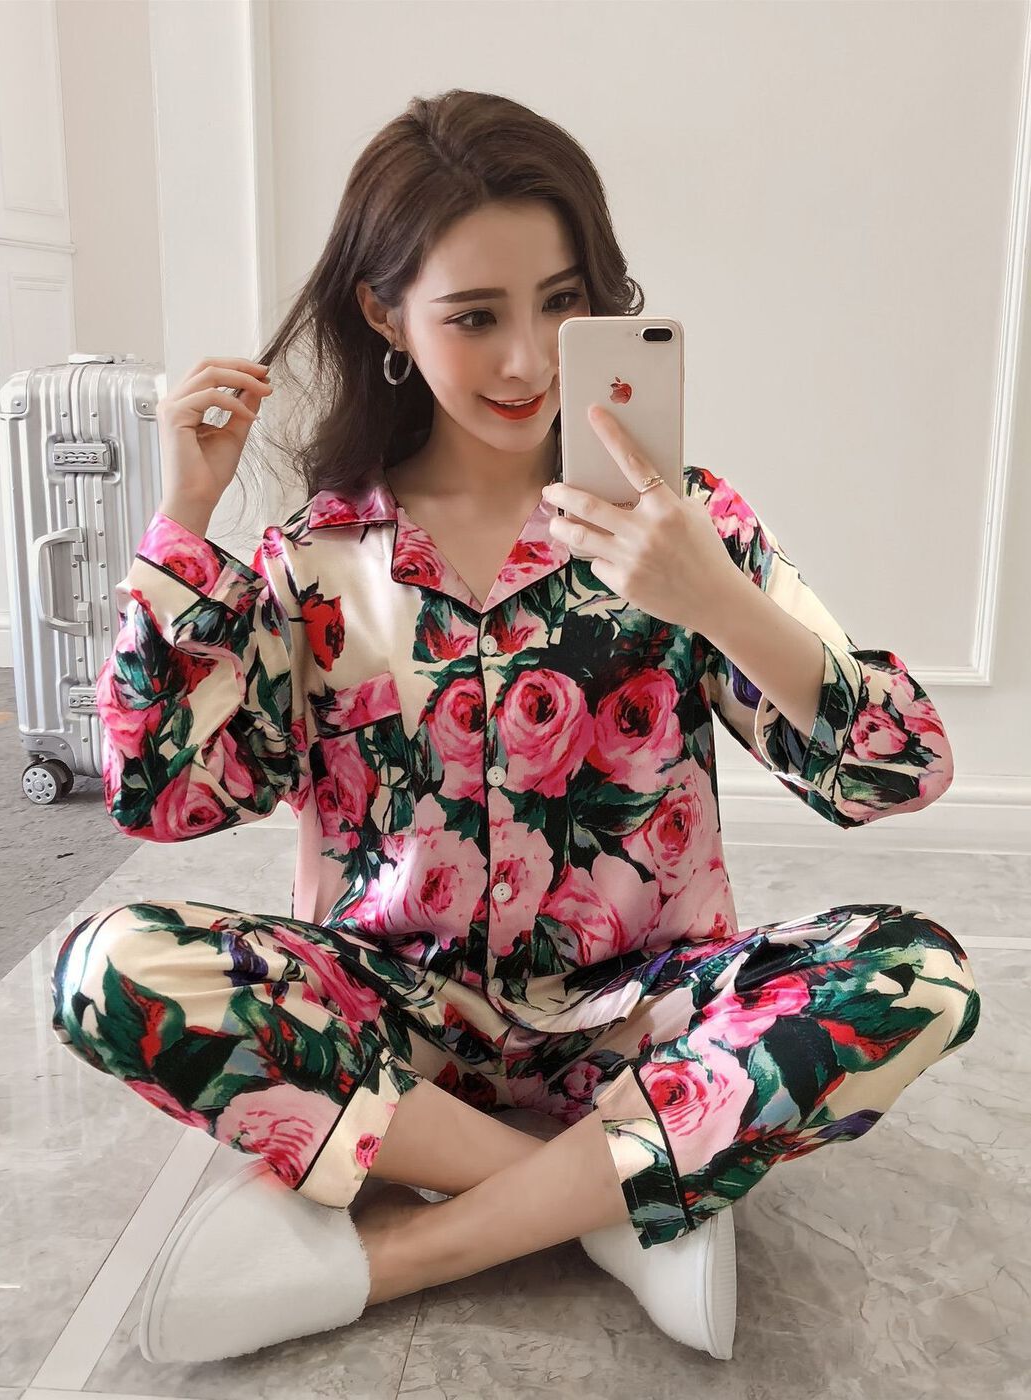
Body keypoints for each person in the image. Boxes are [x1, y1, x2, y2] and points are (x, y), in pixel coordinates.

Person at [50, 89, 980, 1368]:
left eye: (559, 302)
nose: (527, 360)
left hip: (639, 1016)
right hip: (394, 1024)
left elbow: (896, 769)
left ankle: (413, 1247)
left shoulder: (682, 525)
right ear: (386, 316)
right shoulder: (316, 557)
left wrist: (712, 598)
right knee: (106, 966)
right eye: (475, 315)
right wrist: (182, 522)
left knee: (912, 971)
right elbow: (158, 795)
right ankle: (617, 1200)